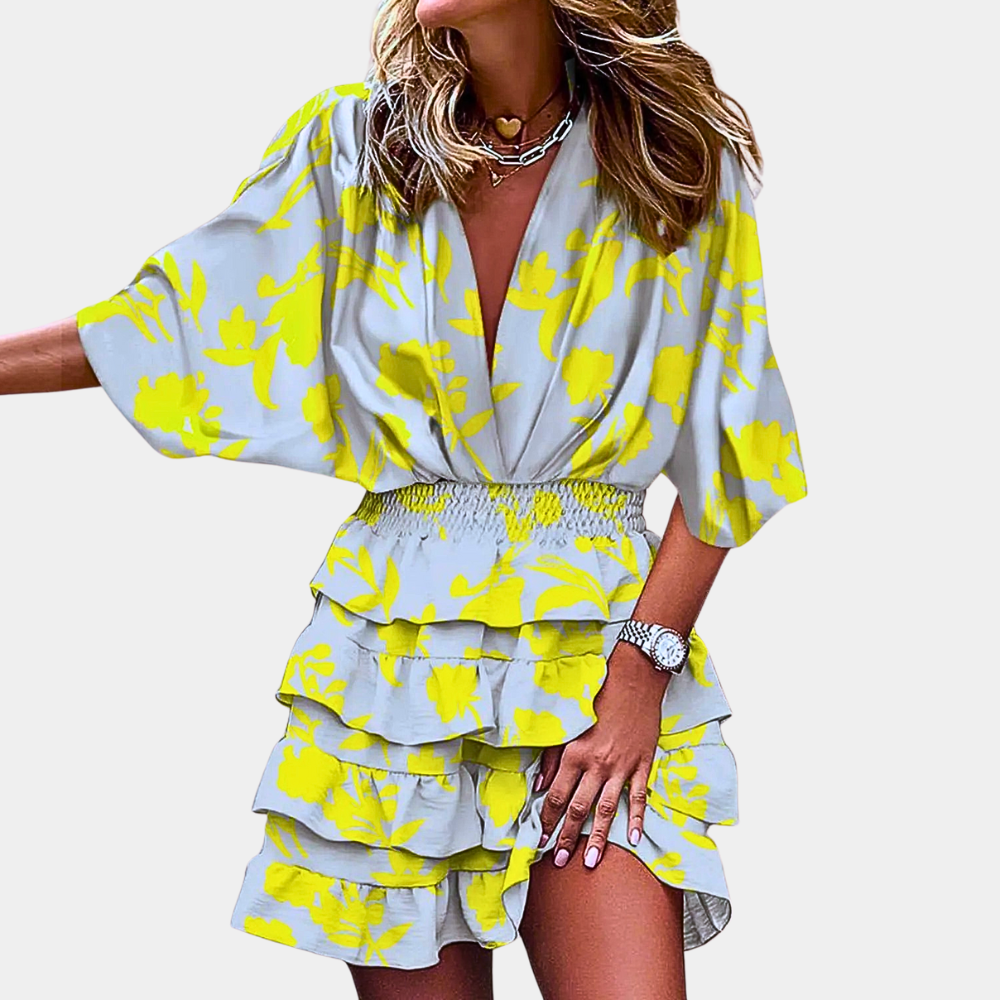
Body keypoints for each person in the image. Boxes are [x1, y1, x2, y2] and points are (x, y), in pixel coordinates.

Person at [0, 1, 807, 997]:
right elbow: (164, 323)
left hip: (596, 642)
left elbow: (735, 445)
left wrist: (642, 672)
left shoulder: (674, 159)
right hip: (395, 665)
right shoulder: (357, 147)